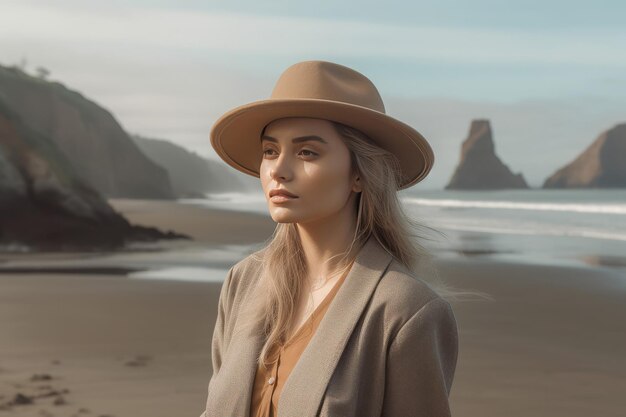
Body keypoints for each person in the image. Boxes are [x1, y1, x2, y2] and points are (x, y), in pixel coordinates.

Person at [201, 60, 459, 417]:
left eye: (307, 152)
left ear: (359, 174)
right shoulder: (242, 282)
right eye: (270, 151)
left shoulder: (404, 312)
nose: (279, 170)